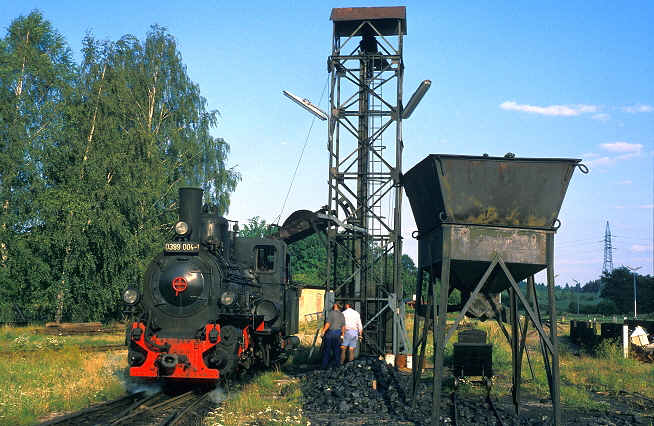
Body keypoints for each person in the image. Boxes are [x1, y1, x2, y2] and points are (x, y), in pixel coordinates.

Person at [321, 300, 345, 368]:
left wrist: (323, 331)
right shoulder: (342, 314)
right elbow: (343, 326)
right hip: (338, 333)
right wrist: (342, 335)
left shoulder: (332, 313)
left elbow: (328, 323)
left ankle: (324, 366)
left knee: (326, 350)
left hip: (331, 332)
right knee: (336, 351)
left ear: (336, 305)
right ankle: (336, 366)